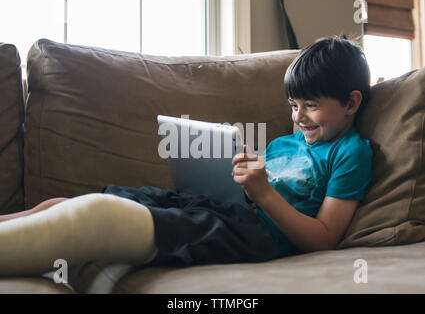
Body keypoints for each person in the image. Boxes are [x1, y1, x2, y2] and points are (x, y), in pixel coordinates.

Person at [0, 36, 373, 277]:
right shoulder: (283, 144)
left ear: (351, 102)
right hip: (220, 210)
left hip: (255, 237)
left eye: (311, 105)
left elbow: (324, 238)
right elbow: (250, 191)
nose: (298, 116)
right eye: (294, 105)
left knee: (97, 216)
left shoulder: (351, 153)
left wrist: (263, 194)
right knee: (69, 202)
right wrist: (239, 178)